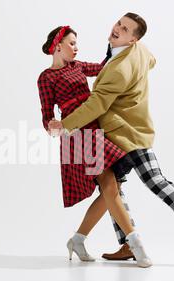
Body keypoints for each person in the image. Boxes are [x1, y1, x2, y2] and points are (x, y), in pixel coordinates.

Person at [48, 13, 174, 268]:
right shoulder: (140, 50)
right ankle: (125, 243)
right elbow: (152, 61)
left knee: (155, 182)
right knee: (113, 188)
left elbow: (97, 103)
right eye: (119, 23)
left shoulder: (120, 67)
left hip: (126, 134)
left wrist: (65, 125)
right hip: (124, 133)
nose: (117, 29)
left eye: (125, 29)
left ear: (133, 39)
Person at [38, 25, 152, 267]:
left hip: (97, 127)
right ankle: (136, 245)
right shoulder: (46, 77)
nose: (76, 48)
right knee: (110, 187)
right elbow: (46, 113)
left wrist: (120, 44)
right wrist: (52, 125)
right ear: (58, 46)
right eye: (72, 43)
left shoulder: (78, 66)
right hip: (78, 135)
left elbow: (103, 66)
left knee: (112, 188)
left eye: (77, 43)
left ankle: (78, 240)